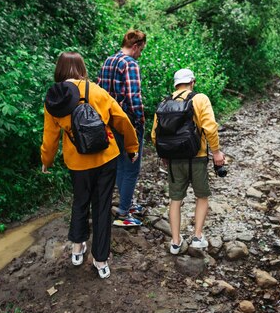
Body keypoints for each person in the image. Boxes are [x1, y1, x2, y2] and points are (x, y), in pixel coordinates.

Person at [41, 52, 139, 279]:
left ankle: (77, 249)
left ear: (60, 69)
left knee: (80, 201)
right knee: (102, 206)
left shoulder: (54, 99)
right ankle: (101, 260)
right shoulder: (96, 91)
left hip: (77, 163)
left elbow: (50, 136)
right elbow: (121, 119)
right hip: (106, 158)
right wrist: (132, 147)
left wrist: (47, 160)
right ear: (81, 68)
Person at [151, 68, 225, 254]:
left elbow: (154, 134)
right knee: (202, 196)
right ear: (192, 81)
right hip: (197, 157)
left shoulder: (165, 103)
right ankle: (197, 236)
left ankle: (175, 242)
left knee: (175, 199)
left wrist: (165, 154)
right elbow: (210, 128)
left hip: (174, 160)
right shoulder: (200, 99)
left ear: (175, 84)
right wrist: (216, 152)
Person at [97, 29, 147, 227]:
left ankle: (125, 202)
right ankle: (124, 212)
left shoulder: (108, 61)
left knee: (119, 164)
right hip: (127, 122)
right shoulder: (130, 64)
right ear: (135, 46)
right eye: (141, 49)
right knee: (132, 168)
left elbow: (100, 91)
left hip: (109, 121)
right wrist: (140, 121)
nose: (140, 54)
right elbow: (134, 98)